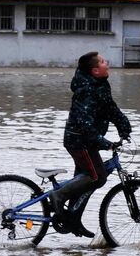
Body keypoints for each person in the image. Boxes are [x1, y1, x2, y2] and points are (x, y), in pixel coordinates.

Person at [52, 51, 131, 237]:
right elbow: (84, 123)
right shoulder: (87, 90)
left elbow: (111, 109)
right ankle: (59, 195)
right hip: (80, 142)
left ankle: (73, 219)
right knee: (97, 177)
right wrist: (104, 143)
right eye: (103, 62)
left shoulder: (100, 85)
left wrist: (124, 127)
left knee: (84, 180)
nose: (107, 63)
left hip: (86, 141)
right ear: (95, 71)